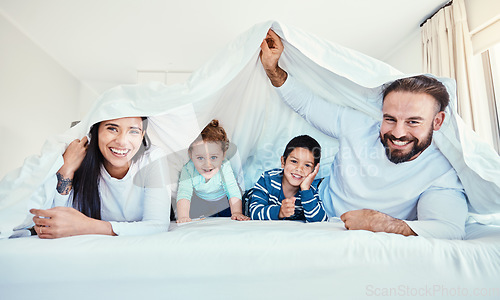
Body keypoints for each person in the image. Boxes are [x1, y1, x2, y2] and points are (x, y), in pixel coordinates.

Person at [259, 29, 468, 239]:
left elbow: (448, 229)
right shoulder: (358, 125)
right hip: (316, 206)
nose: (398, 133)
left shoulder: (441, 170)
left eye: (413, 122)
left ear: (437, 121)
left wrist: (380, 222)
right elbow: (308, 104)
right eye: (390, 119)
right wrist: (272, 68)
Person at [30, 117, 171, 238]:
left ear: (142, 136)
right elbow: (54, 220)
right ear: (96, 132)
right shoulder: (81, 157)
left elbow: (157, 224)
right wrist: (67, 169)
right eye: (112, 129)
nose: (122, 141)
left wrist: (86, 226)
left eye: (133, 131)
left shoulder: (152, 158)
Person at [176, 119, 250, 223]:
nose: (208, 164)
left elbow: (232, 191)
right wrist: (183, 216)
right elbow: (184, 193)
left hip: (224, 200)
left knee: (232, 212)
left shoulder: (224, 166)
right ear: (191, 155)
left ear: (223, 155)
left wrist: (237, 212)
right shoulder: (188, 169)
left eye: (214, 157)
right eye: (200, 158)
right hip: (201, 200)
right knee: (193, 213)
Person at [247, 135, 327, 222]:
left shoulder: (310, 190)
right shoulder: (268, 179)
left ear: (313, 170)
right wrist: (279, 212)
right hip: (248, 202)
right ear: (283, 162)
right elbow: (254, 213)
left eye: (307, 165)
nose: (299, 169)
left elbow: (320, 221)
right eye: (294, 161)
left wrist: (305, 190)